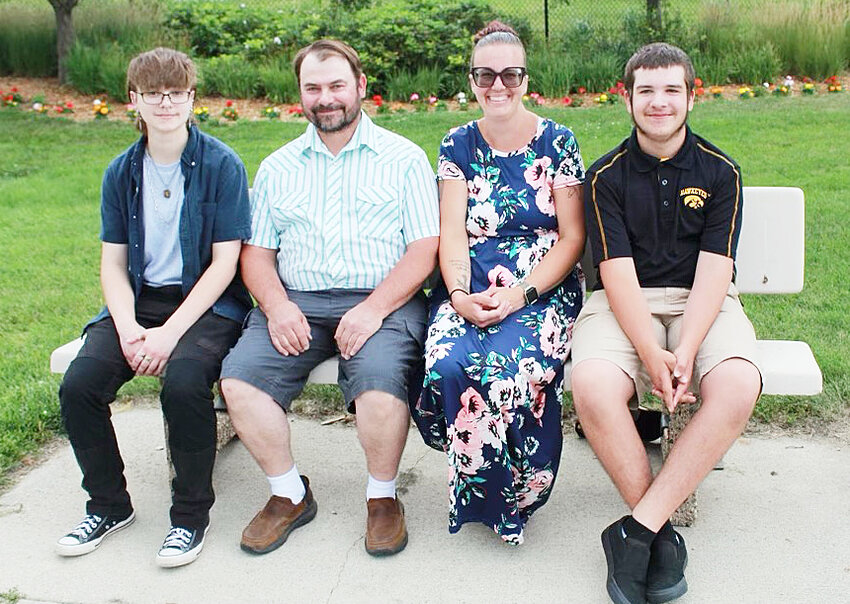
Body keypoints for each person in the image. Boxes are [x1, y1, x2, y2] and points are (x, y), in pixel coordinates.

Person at [219, 39, 439, 557]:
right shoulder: (277, 167)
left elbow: (423, 249)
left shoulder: (403, 159)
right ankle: (289, 493)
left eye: (337, 85)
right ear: (300, 94)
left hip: (383, 300)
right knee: (240, 384)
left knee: (380, 392)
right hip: (297, 299)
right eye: (313, 88)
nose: (326, 98)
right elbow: (256, 254)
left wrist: (373, 308)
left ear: (360, 87)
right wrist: (276, 306)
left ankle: (383, 498)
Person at [571, 43, 762, 604]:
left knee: (738, 384)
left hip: (702, 302)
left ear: (691, 97)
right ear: (626, 98)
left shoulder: (720, 170)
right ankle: (662, 534)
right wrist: (652, 356)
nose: (659, 102)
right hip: (622, 302)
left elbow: (714, 270)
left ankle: (636, 530)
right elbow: (615, 273)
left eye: (671, 90)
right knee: (592, 386)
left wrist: (688, 347)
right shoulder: (604, 175)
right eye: (646, 91)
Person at [55, 48, 252, 568]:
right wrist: (127, 328)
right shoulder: (121, 173)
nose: (165, 102)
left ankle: (189, 517)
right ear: (133, 101)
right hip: (138, 303)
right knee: (78, 386)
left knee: (185, 383)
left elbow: (225, 265)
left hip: (206, 305)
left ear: (192, 99)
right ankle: (108, 505)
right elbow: (113, 265)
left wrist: (168, 335)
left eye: (176, 92)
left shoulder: (222, 165)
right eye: (152, 93)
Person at [410, 21, 586, 545]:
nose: (498, 86)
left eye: (510, 74)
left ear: (526, 79)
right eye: (485, 75)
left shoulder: (558, 141)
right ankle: (484, 493)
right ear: (472, 79)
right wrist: (461, 296)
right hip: (471, 280)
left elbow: (572, 238)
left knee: (512, 371)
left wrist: (520, 294)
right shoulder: (456, 143)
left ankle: (519, 497)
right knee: (447, 365)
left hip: (542, 285)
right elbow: (452, 233)